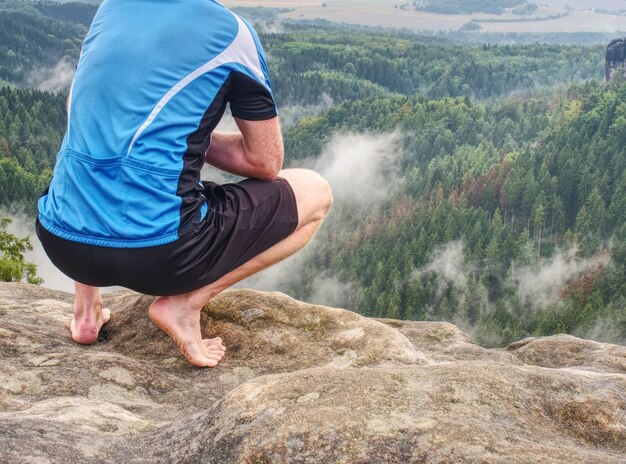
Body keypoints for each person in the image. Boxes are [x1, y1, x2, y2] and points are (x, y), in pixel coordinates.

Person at [35, 0, 333, 368]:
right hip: (162, 255)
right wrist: (190, 137)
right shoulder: (232, 33)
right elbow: (264, 162)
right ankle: (183, 305)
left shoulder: (110, 9)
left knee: (92, 160)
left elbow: (80, 109)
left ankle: (85, 313)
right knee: (316, 193)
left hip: (62, 240)